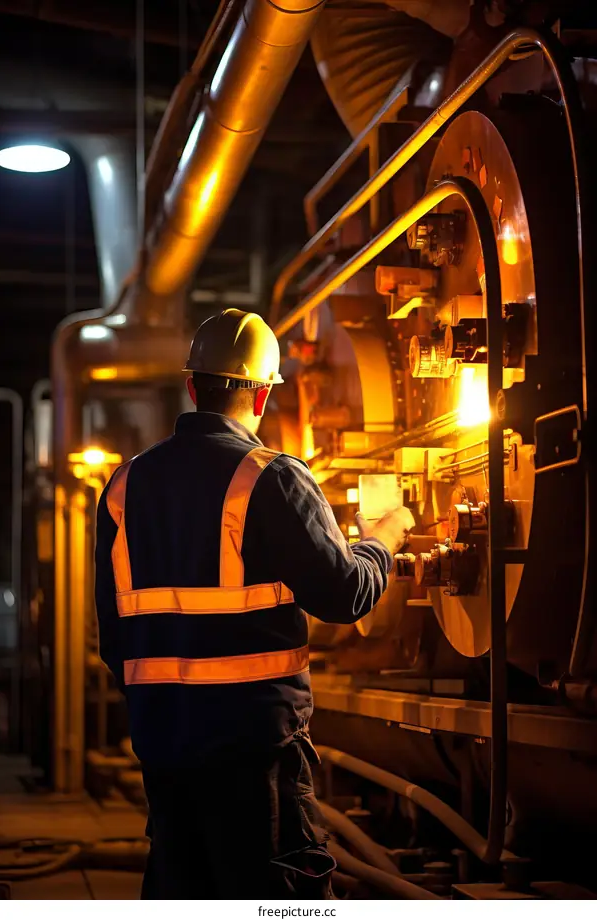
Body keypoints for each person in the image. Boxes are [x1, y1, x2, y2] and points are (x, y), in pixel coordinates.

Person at [95, 309, 415, 899]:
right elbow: (345, 594)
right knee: (272, 893)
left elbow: (114, 640)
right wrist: (385, 538)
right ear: (263, 394)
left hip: (163, 743)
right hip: (254, 749)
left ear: (192, 388)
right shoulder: (271, 477)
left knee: (182, 888)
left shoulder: (123, 486)